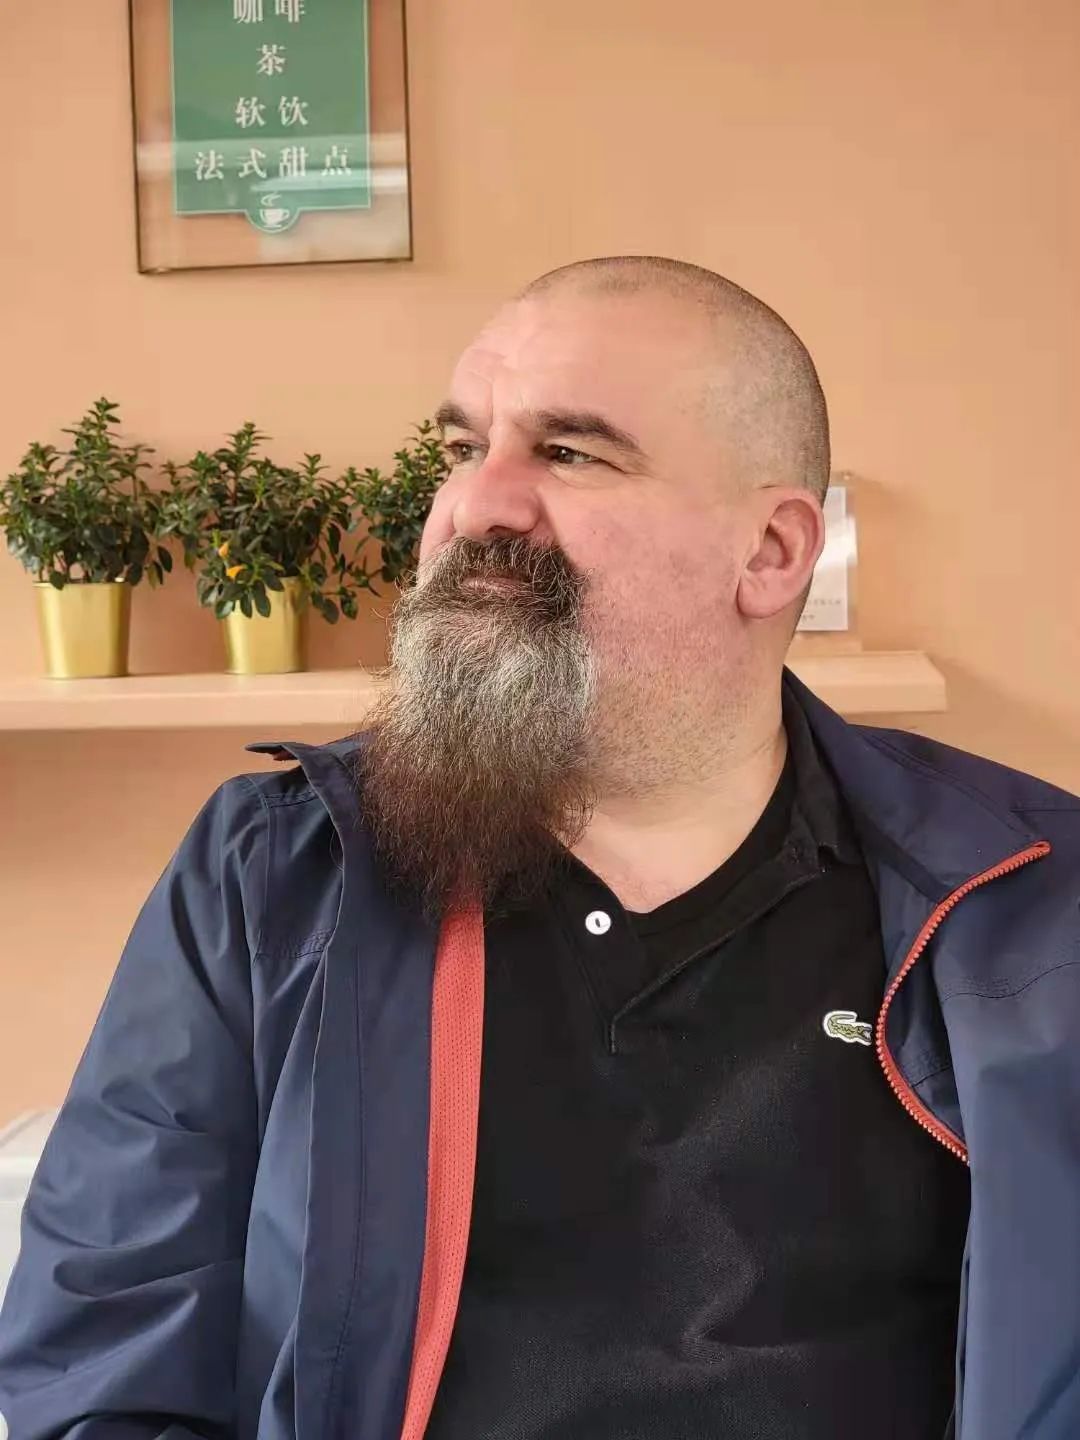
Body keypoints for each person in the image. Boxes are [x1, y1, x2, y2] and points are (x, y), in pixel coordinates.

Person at [0, 256, 1077, 1440]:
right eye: (465, 448)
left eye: (569, 453)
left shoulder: (1030, 908)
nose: (478, 506)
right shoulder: (276, 875)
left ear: (773, 553)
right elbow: (101, 1369)